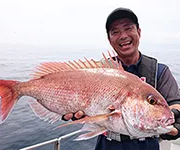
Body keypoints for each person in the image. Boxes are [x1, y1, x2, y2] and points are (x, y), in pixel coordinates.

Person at [62, 7, 180, 150]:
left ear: (139, 32)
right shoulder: (98, 72)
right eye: (115, 32)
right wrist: (74, 111)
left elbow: (175, 102)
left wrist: (168, 122)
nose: (123, 36)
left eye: (128, 28)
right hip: (108, 145)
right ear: (110, 40)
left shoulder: (159, 71)